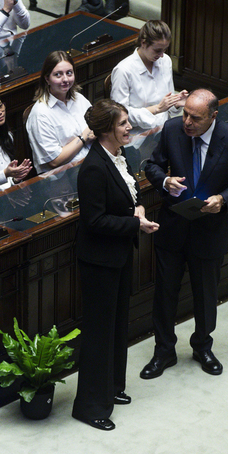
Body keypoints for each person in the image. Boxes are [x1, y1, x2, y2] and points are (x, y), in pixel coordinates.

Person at [140, 89, 228, 379]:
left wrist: (223, 199)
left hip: (209, 230)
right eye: (185, 114)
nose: (187, 122)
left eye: (196, 118)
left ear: (213, 117)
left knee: (206, 294)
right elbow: (151, 165)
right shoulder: (172, 128)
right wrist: (165, 181)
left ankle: (202, 345)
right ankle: (164, 351)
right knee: (165, 293)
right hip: (174, 227)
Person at [72, 99, 159, 431]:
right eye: (123, 123)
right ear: (106, 130)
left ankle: (112, 387)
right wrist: (134, 224)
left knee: (117, 324)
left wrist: (136, 212)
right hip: (99, 261)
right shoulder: (93, 167)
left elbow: (130, 194)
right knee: (99, 333)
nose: (128, 127)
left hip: (118, 255)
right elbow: (94, 221)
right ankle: (89, 405)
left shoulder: (120, 157)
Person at [110, 20, 187, 138]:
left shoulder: (165, 61)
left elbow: (169, 108)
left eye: (165, 49)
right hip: (135, 135)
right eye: (157, 50)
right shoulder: (123, 70)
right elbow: (119, 115)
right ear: (143, 43)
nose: (162, 55)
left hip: (164, 129)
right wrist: (157, 109)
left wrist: (176, 103)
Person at [26, 51, 94, 174]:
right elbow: (54, 161)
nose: (65, 79)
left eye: (69, 73)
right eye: (58, 75)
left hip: (91, 164)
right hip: (64, 176)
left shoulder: (79, 98)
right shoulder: (40, 114)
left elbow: (97, 126)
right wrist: (83, 137)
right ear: (47, 79)